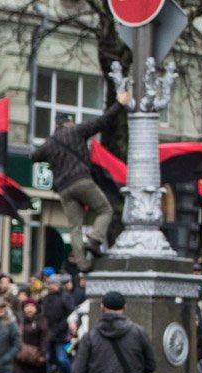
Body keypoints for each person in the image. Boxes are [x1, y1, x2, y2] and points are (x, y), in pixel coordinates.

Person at [31, 91, 130, 269]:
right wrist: (119, 104)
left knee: (74, 226)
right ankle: (95, 240)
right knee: (105, 209)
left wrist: (50, 150)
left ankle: (82, 264)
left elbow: (34, 156)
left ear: (56, 125)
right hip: (81, 181)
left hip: (63, 190)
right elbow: (102, 121)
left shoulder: (50, 143)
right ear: (68, 122)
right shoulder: (77, 131)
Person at [11, 298, 50, 373]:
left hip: (36, 358)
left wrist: (42, 354)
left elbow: (45, 338)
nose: (29, 309)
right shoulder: (18, 321)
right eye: (27, 306)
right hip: (20, 357)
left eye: (32, 306)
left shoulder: (41, 321)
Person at [41, 276, 75, 373]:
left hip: (61, 333)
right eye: (50, 284)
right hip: (47, 333)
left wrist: (61, 327)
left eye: (53, 284)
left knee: (62, 359)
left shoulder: (66, 297)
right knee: (46, 358)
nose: (51, 287)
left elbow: (70, 314)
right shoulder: (46, 298)